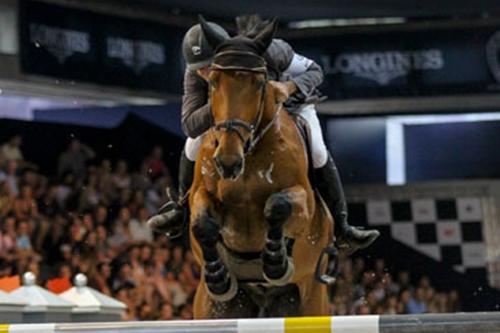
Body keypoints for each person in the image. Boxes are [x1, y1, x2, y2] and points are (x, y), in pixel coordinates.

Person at [148, 17, 379, 253]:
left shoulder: (272, 50)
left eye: (210, 66)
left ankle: (342, 227)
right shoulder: (195, 72)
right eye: (200, 69)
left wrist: (289, 88)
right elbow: (189, 123)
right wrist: (228, 100)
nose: (205, 73)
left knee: (318, 150)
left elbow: (315, 71)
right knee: (192, 144)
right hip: (236, 118)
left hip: (294, 106)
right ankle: (181, 209)